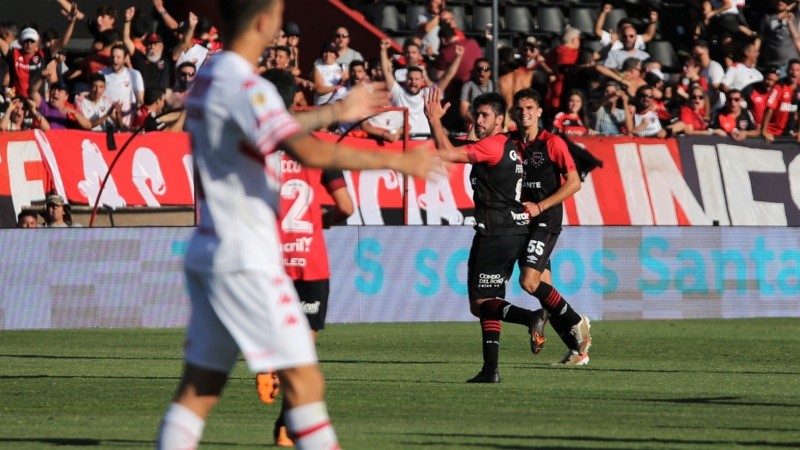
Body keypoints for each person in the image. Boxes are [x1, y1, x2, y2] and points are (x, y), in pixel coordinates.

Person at [154, 1, 441, 448]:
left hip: (208, 253)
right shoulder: (249, 86)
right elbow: (312, 153)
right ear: (265, 22)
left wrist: (335, 111)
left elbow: (270, 127)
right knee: (305, 385)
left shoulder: (209, 76)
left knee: (198, 392)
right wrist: (398, 160)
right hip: (247, 258)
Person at [256, 67, 355, 447]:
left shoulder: (254, 147)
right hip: (311, 261)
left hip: (271, 259)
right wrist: (322, 219)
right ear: (296, 100)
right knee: (303, 353)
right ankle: (285, 427)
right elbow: (346, 206)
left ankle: (267, 363)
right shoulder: (317, 145)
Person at [424, 88, 549, 382]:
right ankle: (490, 370)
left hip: (495, 232)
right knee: (492, 301)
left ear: (499, 120)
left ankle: (530, 317)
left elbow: (446, 153)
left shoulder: (491, 146)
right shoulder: (507, 144)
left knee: (478, 303)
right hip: (516, 230)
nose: (478, 120)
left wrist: (433, 121)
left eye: (485, 116)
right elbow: (462, 145)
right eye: (475, 115)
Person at [508, 88, 592, 366]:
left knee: (528, 282)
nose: (525, 113)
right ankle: (578, 351)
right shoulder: (510, 143)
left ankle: (576, 320)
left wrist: (541, 206)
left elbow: (574, 183)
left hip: (546, 218)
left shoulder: (552, 143)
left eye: (530, 107)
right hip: (523, 220)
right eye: (519, 109)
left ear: (540, 112)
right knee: (545, 291)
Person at [380, 37, 462, 137]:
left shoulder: (427, 93)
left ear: (422, 80)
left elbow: (447, 77)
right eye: (410, 79)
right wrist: (383, 50)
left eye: (417, 79)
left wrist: (458, 57)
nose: (413, 82)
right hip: (402, 140)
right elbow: (385, 72)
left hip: (424, 140)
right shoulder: (398, 92)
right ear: (405, 80)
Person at [100, 44, 145, 127]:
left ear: (125, 58)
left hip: (127, 123)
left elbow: (140, 99)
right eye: (113, 56)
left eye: (118, 57)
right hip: (106, 122)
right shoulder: (101, 74)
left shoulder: (134, 74)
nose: (115, 60)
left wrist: (137, 106)